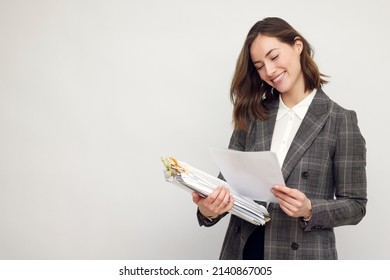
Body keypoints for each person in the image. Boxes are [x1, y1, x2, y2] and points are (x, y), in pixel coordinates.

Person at [191, 17, 367, 260]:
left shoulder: (339, 120)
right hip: (245, 253)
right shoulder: (253, 114)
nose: (269, 71)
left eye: (274, 57)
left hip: (303, 258)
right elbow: (226, 186)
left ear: (297, 45)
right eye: (259, 66)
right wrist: (208, 209)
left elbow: (356, 205)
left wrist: (310, 209)